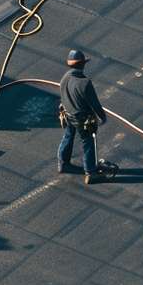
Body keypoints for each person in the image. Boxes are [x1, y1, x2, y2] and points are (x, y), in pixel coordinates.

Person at [57, 49, 114, 184]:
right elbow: (94, 103)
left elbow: (63, 96)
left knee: (68, 136)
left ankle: (63, 163)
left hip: (68, 114)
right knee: (88, 142)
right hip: (82, 119)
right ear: (82, 64)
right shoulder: (85, 82)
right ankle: (90, 172)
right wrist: (102, 117)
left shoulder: (64, 77)